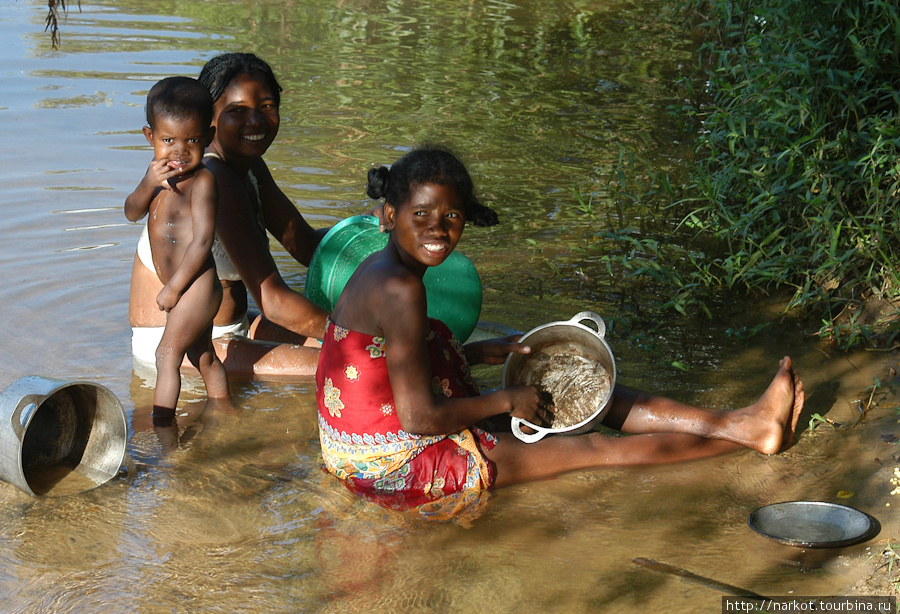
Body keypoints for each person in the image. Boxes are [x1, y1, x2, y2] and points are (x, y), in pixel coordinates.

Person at [315, 146, 805, 522]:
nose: (437, 229)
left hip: (363, 443)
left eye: (452, 217)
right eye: (420, 214)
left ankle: (740, 422)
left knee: (597, 397)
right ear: (388, 216)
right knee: (591, 449)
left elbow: (388, 358)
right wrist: (507, 400)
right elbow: (420, 416)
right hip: (392, 463)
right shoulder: (401, 289)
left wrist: (480, 353)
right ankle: (754, 433)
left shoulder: (383, 271)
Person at [128, 53, 328, 377]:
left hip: (237, 327)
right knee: (347, 363)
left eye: (266, 106)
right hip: (181, 345)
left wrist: (371, 227)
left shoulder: (248, 168)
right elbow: (274, 302)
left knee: (349, 349)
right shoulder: (214, 176)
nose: (255, 121)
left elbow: (306, 246)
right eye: (237, 111)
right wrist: (362, 339)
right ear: (209, 121)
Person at [124, 76, 230, 423]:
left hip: (196, 285)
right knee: (203, 356)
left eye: (193, 140)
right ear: (149, 137)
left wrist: (173, 287)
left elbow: (202, 241)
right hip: (182, 288)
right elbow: (131, 212)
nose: (179, 151)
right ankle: (225, 408)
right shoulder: (156, 176)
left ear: (209, 138)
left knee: (166, 354)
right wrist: (147, 183)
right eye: (168, 140)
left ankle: (164, 435)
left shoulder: (203, 181)